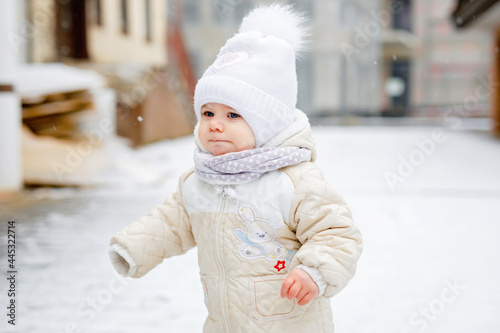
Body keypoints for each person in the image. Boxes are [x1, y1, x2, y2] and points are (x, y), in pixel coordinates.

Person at [109, 4, 363, 332]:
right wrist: (134, 247)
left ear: (267, 126)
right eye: (208, 113)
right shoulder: (198, 182)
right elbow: (172, 223)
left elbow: (337, 234)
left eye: (232, 116)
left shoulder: (294, 181)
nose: (215, 125)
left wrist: (314, 271)